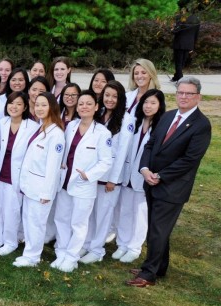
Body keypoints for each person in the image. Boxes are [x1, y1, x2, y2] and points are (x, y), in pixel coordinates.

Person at [128, 77, 211, 287]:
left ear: (198, 97)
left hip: (172, 188)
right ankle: (159, 266)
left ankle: (148, 274)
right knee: (157, 228)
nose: (183, 97)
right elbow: (151, 144)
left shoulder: (201, 125)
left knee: (157, 229)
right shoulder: (168, 116)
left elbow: (190, 160)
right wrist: (145, 169)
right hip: (151, 180)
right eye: (180, 92)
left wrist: (161, 176)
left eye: (188, 93)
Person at [53, 91, 113, 273]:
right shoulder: (71, 126)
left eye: (88, 104)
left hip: (83, 184)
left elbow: (106, 161)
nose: (84, 107)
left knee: (78, 223)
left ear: (96, 107)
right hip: (65, 180)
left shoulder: (102, 133)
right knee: (61, 219)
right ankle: (61, 252)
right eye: (81, 104)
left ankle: (72, 257)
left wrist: (88, 175)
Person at [81, 81, 133, 264]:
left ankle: (97, 249)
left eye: (114, 96)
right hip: (93, 174)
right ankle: (86, 244)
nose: (110, 99)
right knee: (90, 213)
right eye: (107, 95)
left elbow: (121, 153)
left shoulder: (126, 120)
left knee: (103, 215)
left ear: (120, 99)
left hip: (110, 178)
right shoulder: (99, 113)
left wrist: (112, 180)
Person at [13, 92, 65, 268]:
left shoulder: (56, 134)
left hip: (41, 189)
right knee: (29, 220)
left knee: (36, 223)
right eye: (37, 105)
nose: (40, 108)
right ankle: (29, 252)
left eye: (44, 105)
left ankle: (33, 257)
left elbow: (53, 167)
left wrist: (47, 192)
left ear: (52, 107)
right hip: (30, 186)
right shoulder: (40, 127)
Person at [115, 89, 165, 263]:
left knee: (140, 213)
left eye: (153, 103)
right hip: (127, 173)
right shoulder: (134, 122)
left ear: (160, 106)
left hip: (144, 176)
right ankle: (122, 243)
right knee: (124, 210)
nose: (148, 106)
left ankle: (134, 247)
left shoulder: (161, 126)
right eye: (145, 102)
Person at [0, 92, 38, 255]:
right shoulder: (1, 123)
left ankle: (10, 241)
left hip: (16, 177)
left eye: (18, 104)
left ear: (25, 107)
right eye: (11, 103)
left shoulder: (32, 127)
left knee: (11, 210)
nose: (14, 107)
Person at [171, 10, 200, 82]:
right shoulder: (196, 21)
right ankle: (176, 77)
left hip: (179, 44)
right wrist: (193, 46)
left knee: (178, 62)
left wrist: (172, 29)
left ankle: (180, 79)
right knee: (182, 62)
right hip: (189, 44)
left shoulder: (181, 20)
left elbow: (175, 32)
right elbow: (196, 35)